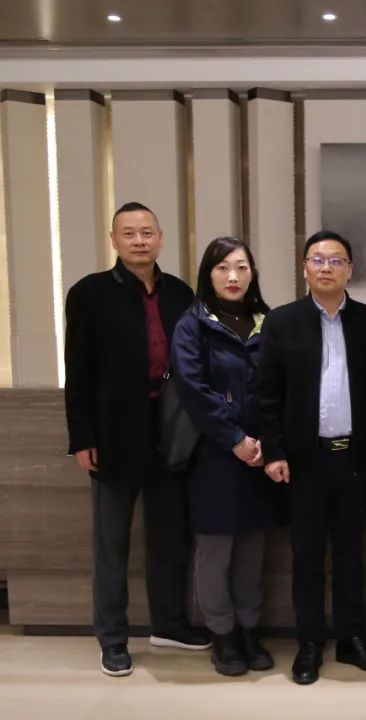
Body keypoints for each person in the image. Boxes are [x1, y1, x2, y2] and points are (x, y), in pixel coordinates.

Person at [64, 201, 211, 677]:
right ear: (114, 241)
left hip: (170, 430)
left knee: (170, 537)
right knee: (112, 543)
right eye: (129, 233)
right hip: (113, 434)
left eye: (147, 232)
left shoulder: (180, 292)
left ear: (160, 238)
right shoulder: (89, 293)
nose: (139, 240)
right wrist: (82, 437)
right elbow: (78, 371)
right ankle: (112, 638)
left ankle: (169, 624)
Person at [257, 230, 366, 685]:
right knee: (308, 556)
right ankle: (310, 643)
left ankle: (352, 638)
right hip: (304, 461)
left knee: (352, 553)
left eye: (336, 260)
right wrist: (274, 451)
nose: (326, 267)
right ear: (304, 268)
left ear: (349, 270)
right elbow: (266, 394)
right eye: (317, 259)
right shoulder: (282, 322)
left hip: (355, 458)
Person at [170, 236, 279, 677]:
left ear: (252, 274)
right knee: (216, 550)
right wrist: (234, 438)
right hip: (214, 453)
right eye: (222, 268)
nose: (233, 276)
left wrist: (268, 441)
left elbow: (279, 387)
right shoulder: (192, 325)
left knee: (253, 547)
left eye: (241, 267)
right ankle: (223, 633)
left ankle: (250, 629)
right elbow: (192, 390)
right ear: (208, 274)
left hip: (262, 455)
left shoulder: (268, 322)